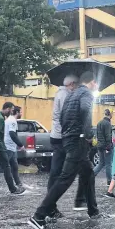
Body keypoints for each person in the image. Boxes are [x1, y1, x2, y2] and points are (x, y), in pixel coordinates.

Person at [28, 71, 100, 229]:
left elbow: (61, 117)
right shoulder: (87, 94)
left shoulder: (70, 95)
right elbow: (85, 111)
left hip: (68, 138)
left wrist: (68, 132)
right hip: (78, 141)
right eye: (96, 83)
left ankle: (93, 211)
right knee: (65, 179)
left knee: (88, 173)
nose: (96, 86)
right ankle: (38, 215)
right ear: (93, 82)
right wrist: (88, 135)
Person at [47, 75, 86, 217]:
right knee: (60, 173)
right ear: (70, 84)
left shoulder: (61, 93)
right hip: (62, 136)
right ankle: (49, 207)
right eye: (75, 84)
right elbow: (66, 117)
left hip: (59, 135)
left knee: (60, 172)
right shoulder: (64, 95)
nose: (76, 87)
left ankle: (52, 206)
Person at [94, 109, 114, 186]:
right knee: (108, 164)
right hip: (106, 147)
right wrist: (108, 148)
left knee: (101, 163)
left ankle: (91, 175)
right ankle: (109, 181)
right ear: (110, 114)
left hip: (100, 146)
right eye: (112, 114)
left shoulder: (99, 123)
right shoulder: (108, 124)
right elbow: (108, 137)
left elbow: (98, 136)